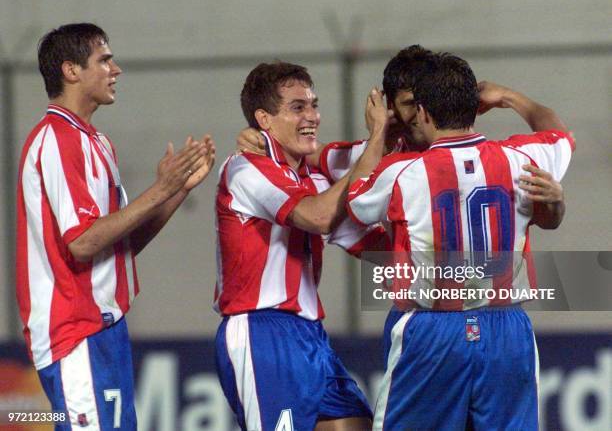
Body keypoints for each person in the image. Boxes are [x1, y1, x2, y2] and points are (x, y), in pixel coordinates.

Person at [347, 50, 574, 429]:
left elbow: (356, 201)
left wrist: (376, 133)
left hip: (433, 328)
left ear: (423, 112)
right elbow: (560, 134)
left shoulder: (403, 171)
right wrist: (507, 96)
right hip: (506, 326)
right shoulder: (521, 159)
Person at [16, 23, 215, 430]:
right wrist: (160, 188)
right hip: (74, 332)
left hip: (105, 330)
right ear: (71, 71)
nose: (116, 69)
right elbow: (83, 243)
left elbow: (118, 244)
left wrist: (176, 191)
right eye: (104, 60)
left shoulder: (97, 143)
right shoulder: (56, 138)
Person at [215, 61, 381, 431]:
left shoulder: (313, 179)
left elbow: (374, 248)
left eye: (314, 105)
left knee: (356, 424)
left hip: (309, 334)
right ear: (264, 119)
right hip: (262, 331)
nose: (313, 116)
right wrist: (376, 137)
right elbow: (319, 217)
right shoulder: (245, 169)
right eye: (297, 107)